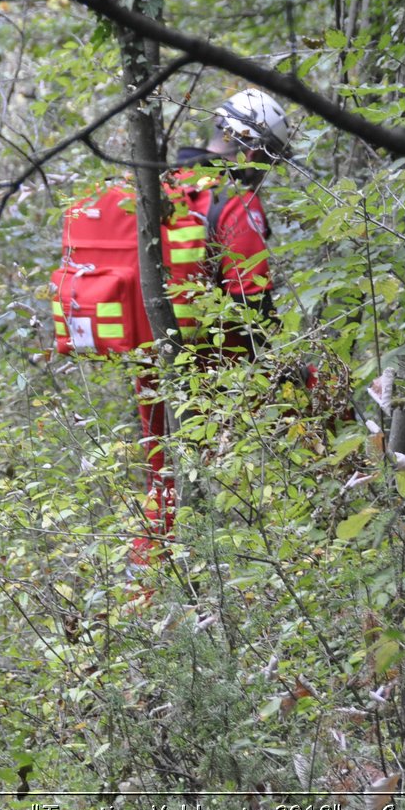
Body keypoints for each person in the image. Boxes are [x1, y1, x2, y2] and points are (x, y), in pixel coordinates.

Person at [131, 88, 289, 570]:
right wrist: (280, 363)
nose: (266, 171)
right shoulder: (234, 201)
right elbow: (251, 298)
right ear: (252, 148)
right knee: (253, 472)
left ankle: (151, 584)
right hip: (218, 365)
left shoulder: (160, 187)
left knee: (166, 478)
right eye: (269, 157)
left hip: (148, 355)